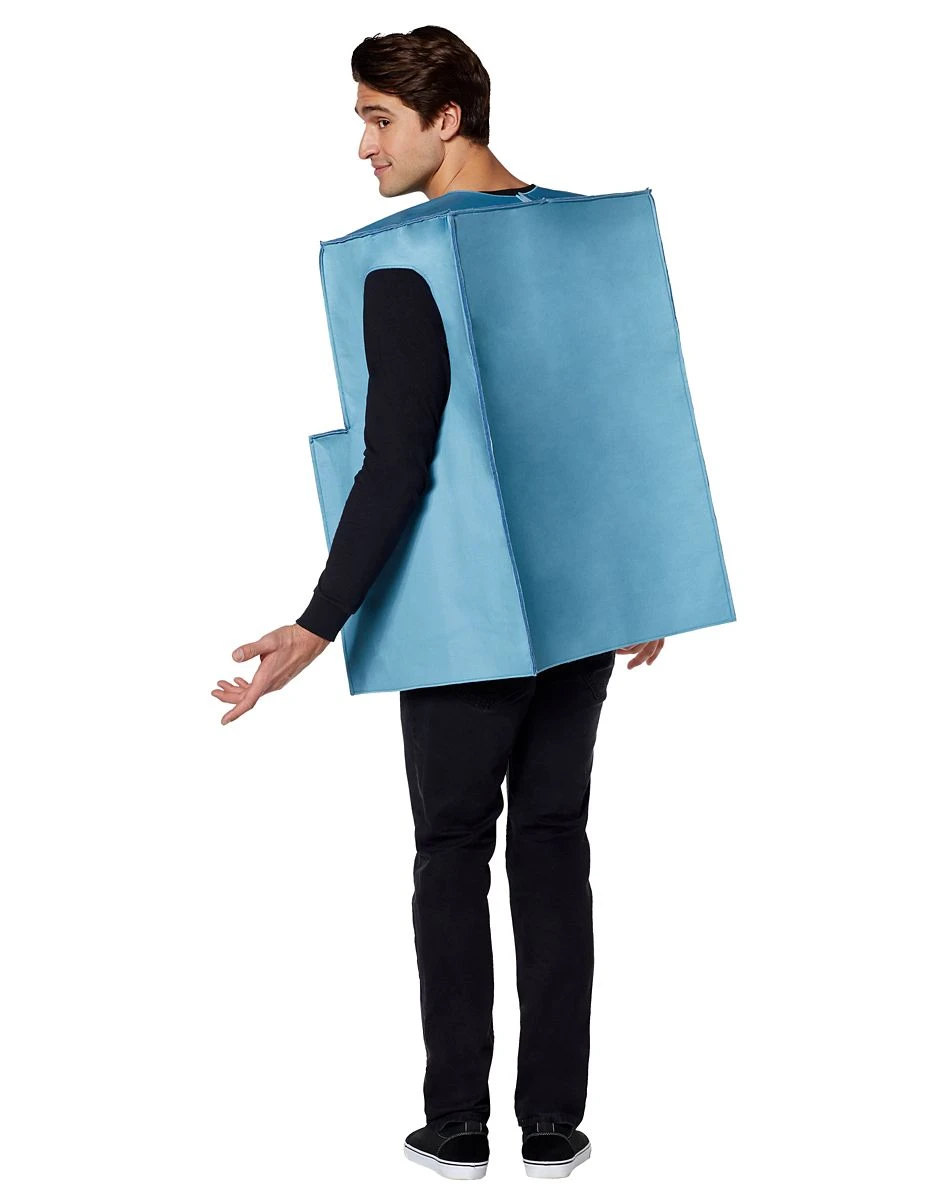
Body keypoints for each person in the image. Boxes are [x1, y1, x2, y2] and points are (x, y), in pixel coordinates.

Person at [211, 25, 664, 1180]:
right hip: (577, 602)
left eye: (377, 119)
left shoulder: (405, 256)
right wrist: (637, 578)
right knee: (552, 845)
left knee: (452, 850)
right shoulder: (576, 234)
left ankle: (456, 1122)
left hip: (463, 617)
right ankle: (553, 1125)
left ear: (444, 120)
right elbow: (614, 412)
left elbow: (396, 463)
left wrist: (316, 624)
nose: (362, 147)